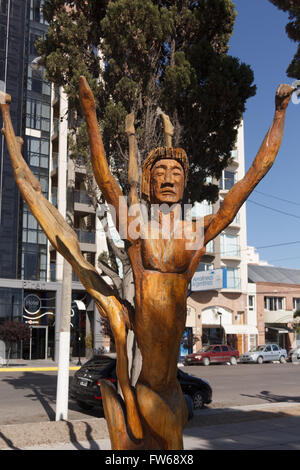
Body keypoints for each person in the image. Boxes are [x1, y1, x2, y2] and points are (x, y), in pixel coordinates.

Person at [0, 79, 294, 450]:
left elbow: (251, 177)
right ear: (150, 185)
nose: (169, 178)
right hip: (146, 386)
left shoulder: (195, 232)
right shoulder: (138, 229)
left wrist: (279, 114)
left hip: (171, 385)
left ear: (186, 182)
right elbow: (106, 179)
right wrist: (90, 113)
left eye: (176, 172)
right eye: (160, 173)